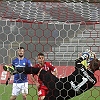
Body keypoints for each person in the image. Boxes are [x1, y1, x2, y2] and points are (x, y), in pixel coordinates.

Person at [3, 52, 100, 100]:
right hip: (62, 96)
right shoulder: (94, 81)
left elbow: (77, 61)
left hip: (57, 85)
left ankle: (16, 70)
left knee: (39, 70)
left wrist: (86, 55)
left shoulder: (81, 68)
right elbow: (89, 72)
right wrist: (92, 64)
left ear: (89, 64)